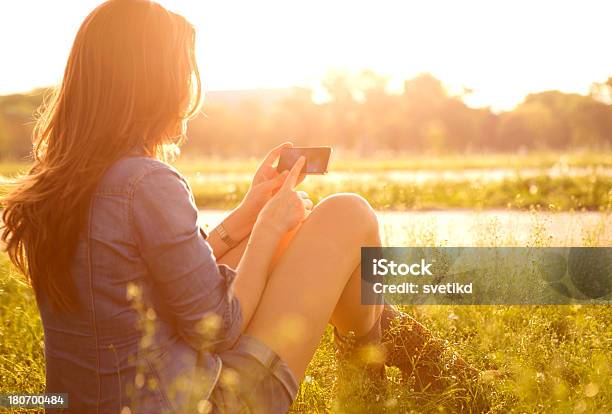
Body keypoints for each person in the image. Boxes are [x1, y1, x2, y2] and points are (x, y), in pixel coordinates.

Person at [1, 1, 477, 412]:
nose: (190, 85)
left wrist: (252, 213)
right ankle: (374, 368)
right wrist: (269, 228)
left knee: (296, 238)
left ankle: (400, 351)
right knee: (346, 215)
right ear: (156, 83)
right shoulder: (147, 182)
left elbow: (166, 279)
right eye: (185, 70)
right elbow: (218, 327)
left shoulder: (56, 185)